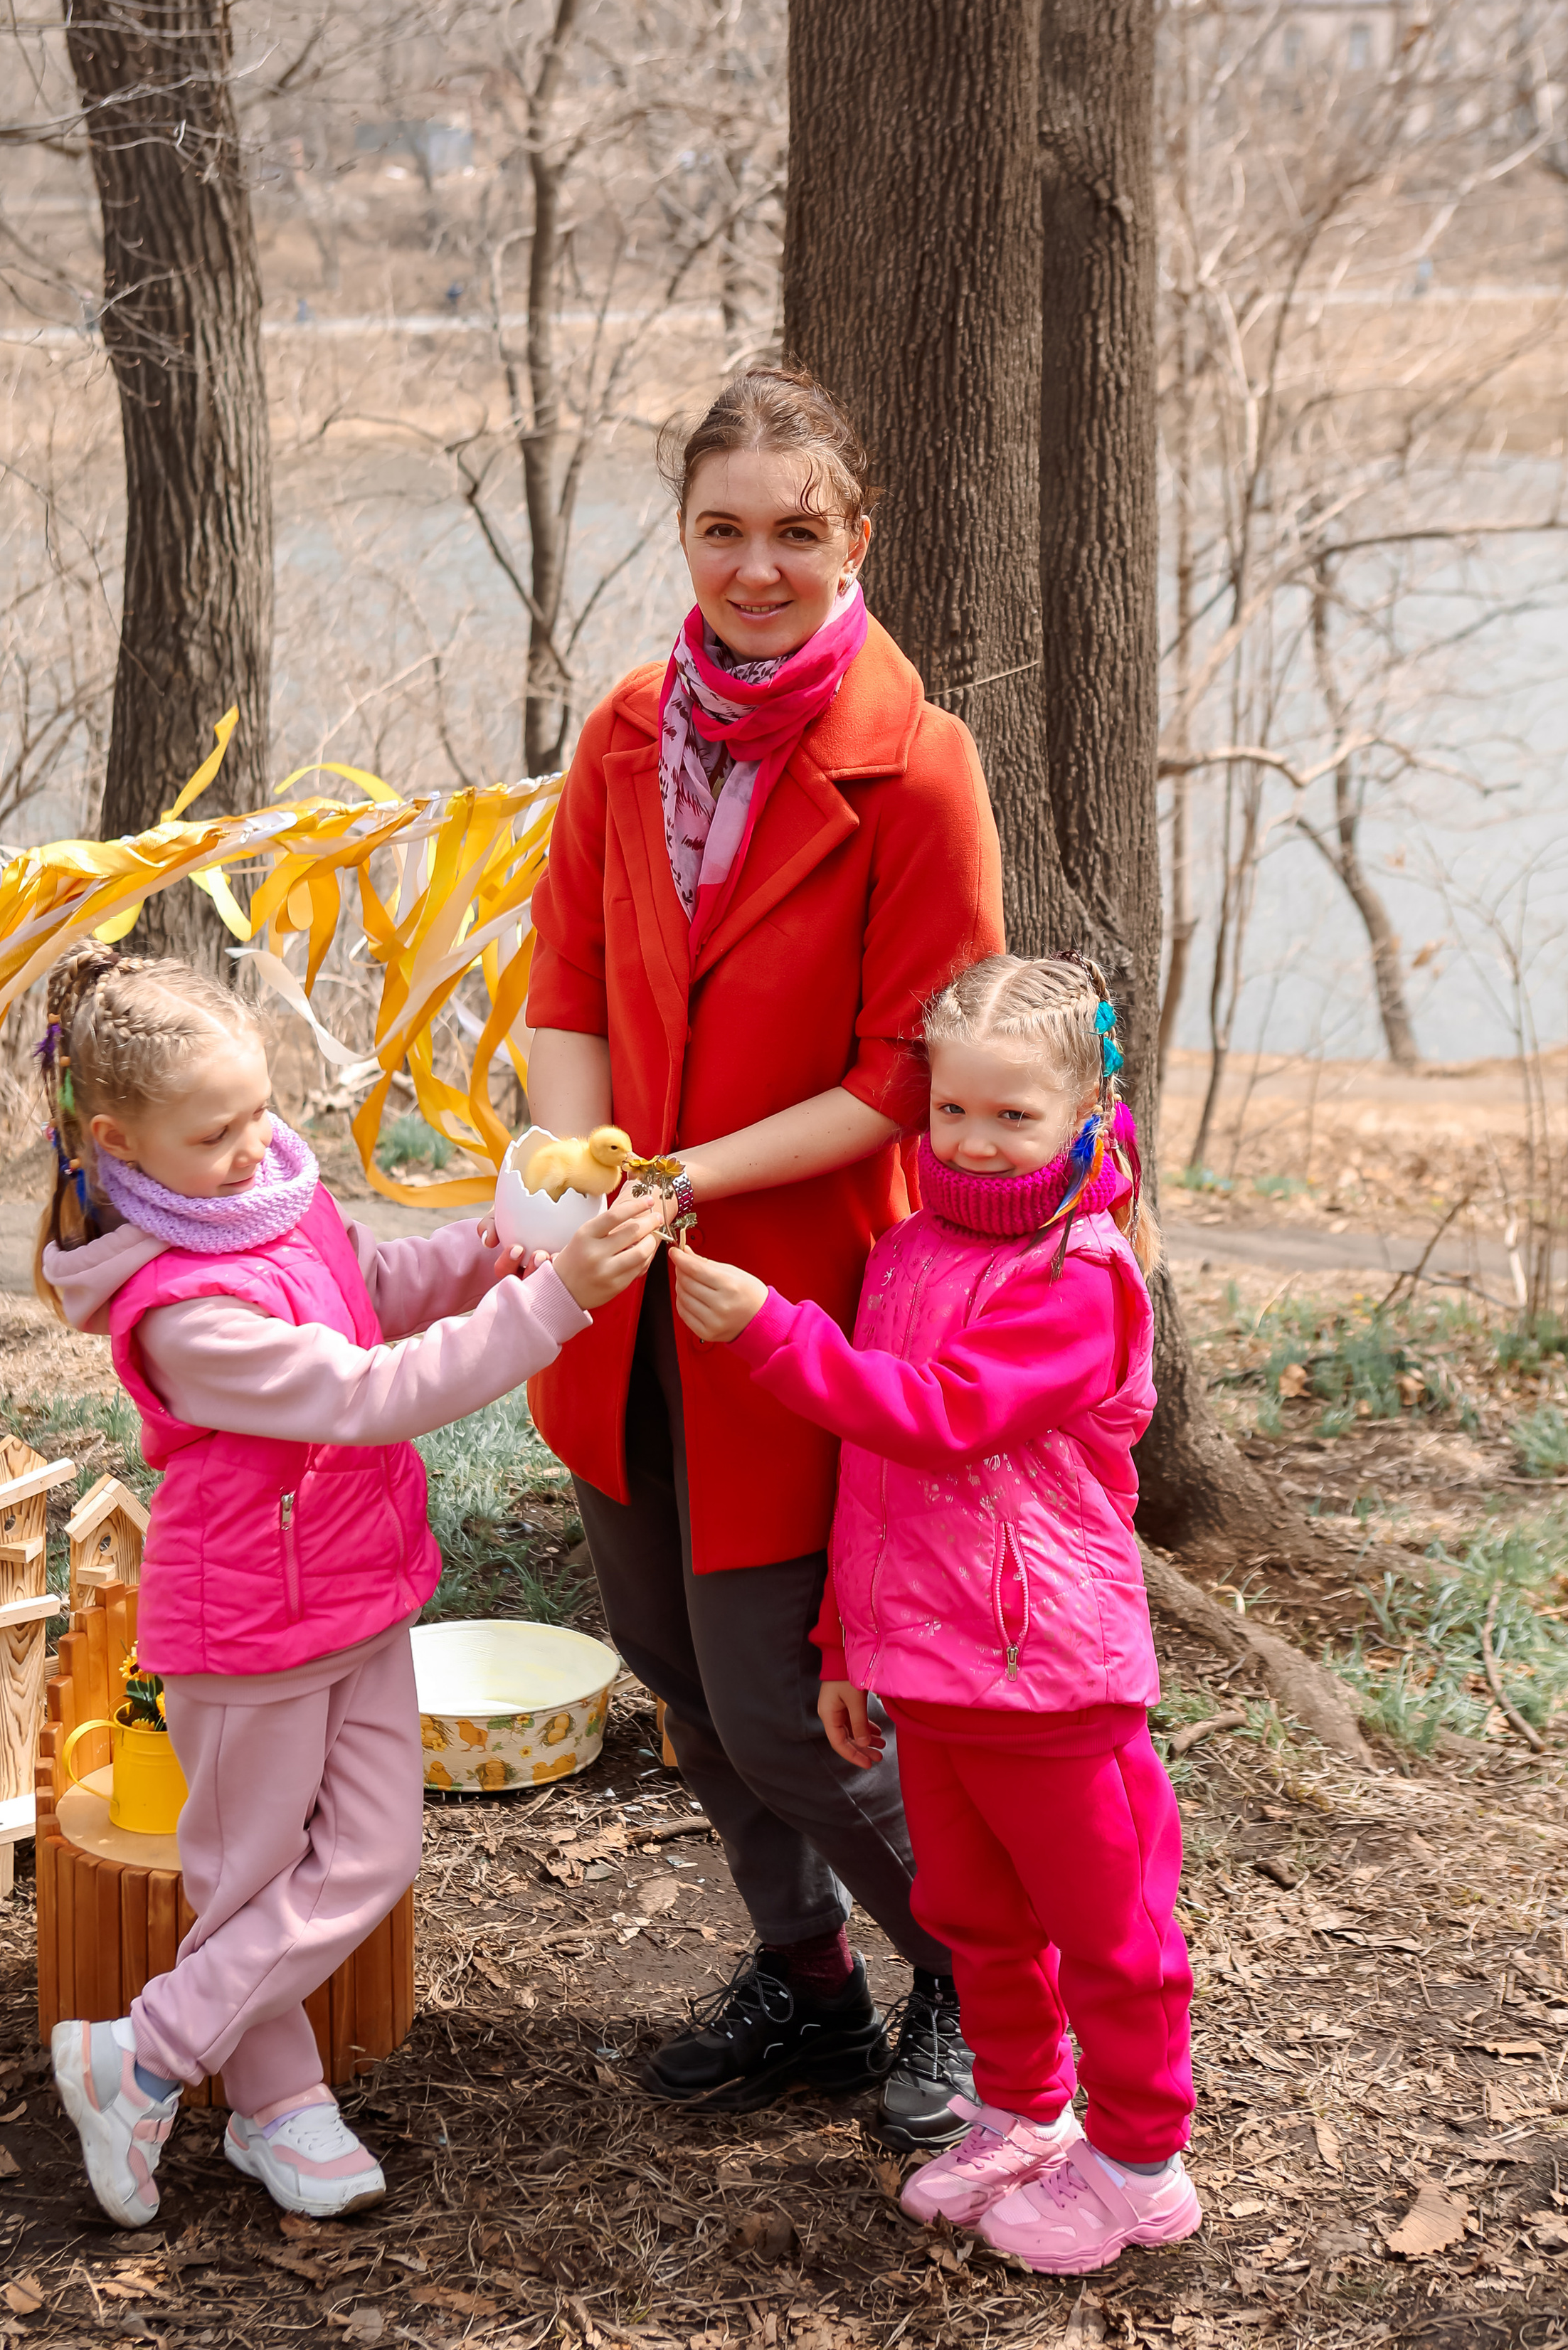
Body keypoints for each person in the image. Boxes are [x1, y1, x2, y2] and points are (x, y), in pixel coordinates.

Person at [524, 366, 1005, 2144]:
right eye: (722, 531)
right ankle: (803, 1983)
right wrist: (576, 1168)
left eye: (795, 532)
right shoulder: (625, 732)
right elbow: (564, 990)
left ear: (854, 538)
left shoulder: (919, 766)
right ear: (684, 538)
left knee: (784, 1702)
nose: (756, 567)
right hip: (615, 1280)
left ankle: (974, 1976)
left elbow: (909, 1073)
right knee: (666, 1662)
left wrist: (684, 1174)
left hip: (796, 1294)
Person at [35, 943, 659, 2228]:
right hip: (247, 1624)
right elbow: (364, 1393)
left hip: (358, 1587)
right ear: (117, 1142)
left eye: (263, 1109)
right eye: (216, 1132)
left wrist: (502, 1250)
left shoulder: (268, 1198)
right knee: (249, 1881)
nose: (254, 1144)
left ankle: (141, 2053)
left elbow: (365, 1293)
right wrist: (554, 1314)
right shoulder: (176, 1310)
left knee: (368, 1855)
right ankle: (262, 2098)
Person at [667, 953, 1201, 2277]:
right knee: (975, 1916)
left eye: (1013, 1113)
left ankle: (1141, 2162)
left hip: (1055, 1672)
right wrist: (853, 1643)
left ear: (1087, 1107)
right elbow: (874, 1479)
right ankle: (1024, 2115)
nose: (973, 1136)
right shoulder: (908, 1249)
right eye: (952, 1108)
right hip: (935, 1667)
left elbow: (947, 1419)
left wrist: (773, 1336)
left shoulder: (1083, 1276)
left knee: (1111, 1935)